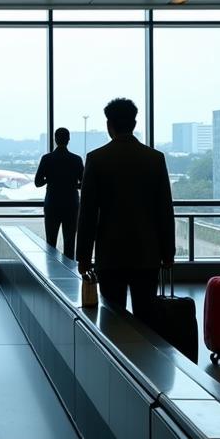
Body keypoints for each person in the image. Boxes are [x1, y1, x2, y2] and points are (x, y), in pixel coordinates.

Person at [77, 99, 174, 323]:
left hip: (111, 253)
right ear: (134, 123)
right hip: (147, 253)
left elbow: (88, 213)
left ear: (109, 125)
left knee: (112, 317)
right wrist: (167, 252)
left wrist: (83, 256)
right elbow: (164, 210)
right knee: (146, 316)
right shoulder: (155, 159)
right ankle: (147, 358)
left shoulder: (97, 158)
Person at [35, 127, 84, 259]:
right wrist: (72, 184)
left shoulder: (47, 159)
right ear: (68, 140)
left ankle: (50, 272)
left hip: (52, 203)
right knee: (69, 242)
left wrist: (49, 179)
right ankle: (69, 274)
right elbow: (83, 184)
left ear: (55, 140)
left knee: (50, 242)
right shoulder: (76, 159)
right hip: (71, 204)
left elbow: (37, 182)